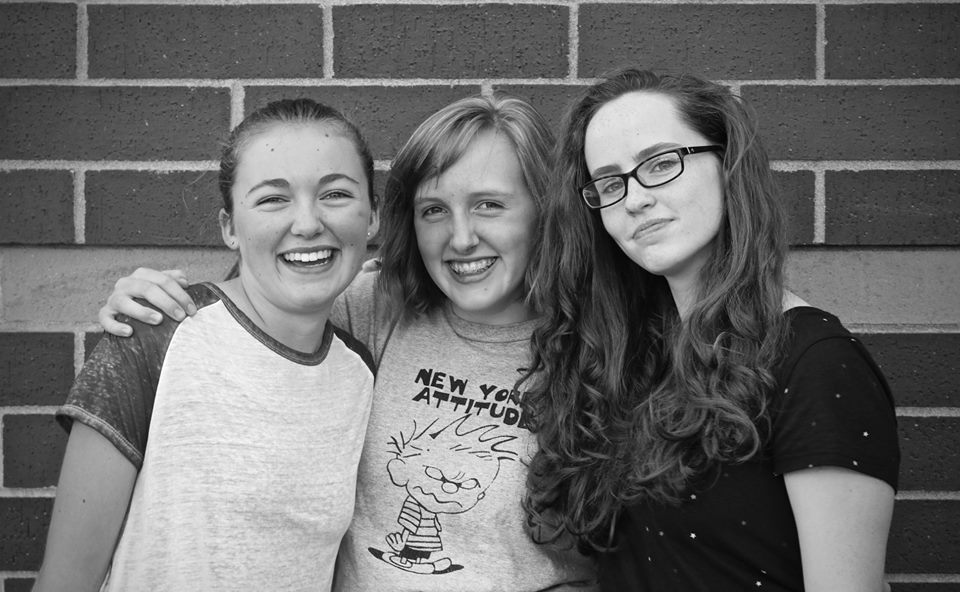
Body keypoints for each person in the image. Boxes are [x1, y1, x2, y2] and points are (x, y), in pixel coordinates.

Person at [93, 94, 598, 591]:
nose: (462, 238)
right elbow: (250, 318)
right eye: (434, 210)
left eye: (489, 205)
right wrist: (156, 304)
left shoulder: (597, 347)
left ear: (544, 209)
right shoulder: (375, 307)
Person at [520, 68, 900, 591]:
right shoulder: (633, 361)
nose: (634, 199)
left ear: (728, 165)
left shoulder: (814, 362)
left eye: (660, 163)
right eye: (609, 182)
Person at [34, 98, 380, 592]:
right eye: (273, 199)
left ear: (372, 217)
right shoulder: (156, 336)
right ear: (230, 228)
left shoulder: (359, 373)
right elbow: (64, 582)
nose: (306, 223)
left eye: (336, 194)